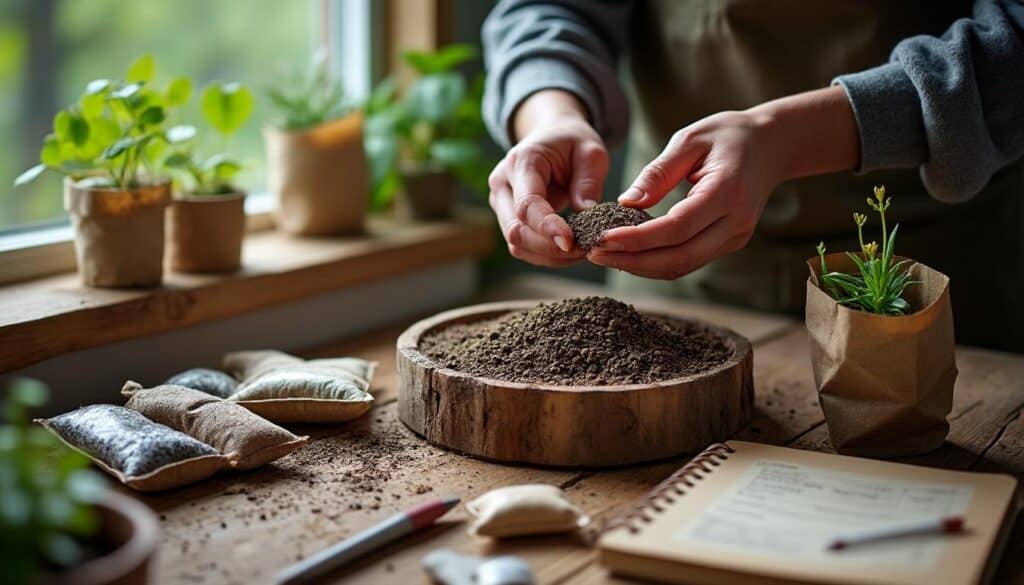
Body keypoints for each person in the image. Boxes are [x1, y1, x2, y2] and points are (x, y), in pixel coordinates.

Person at [480, 0, 1024, 350]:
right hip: (672, 275)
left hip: (922, 278)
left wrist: (788, 138)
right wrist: (551, 115)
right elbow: (550, 8)